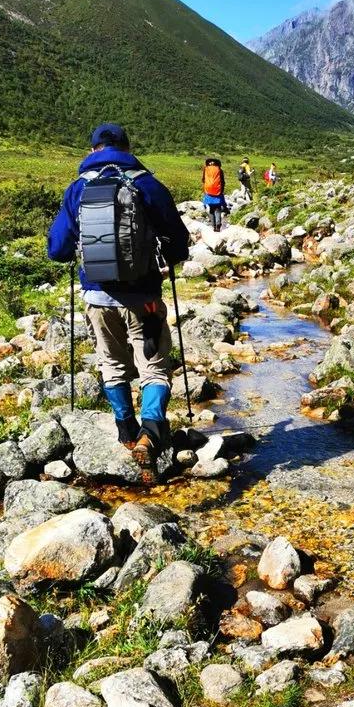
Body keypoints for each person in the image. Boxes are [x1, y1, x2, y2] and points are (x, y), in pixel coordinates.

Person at [47, 122, 189, 481]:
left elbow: (57, 248)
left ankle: (126, 430)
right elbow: (178, 240)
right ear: (127, 147)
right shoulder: (146, 184)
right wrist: (162, 257)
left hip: (97, 296)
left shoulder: (78, 188)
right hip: (144, 297)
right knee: (153, 366)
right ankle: (152, 432)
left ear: (93, 149)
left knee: (111, 363)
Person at [202, 157, 226, 230]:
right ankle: (218, 225)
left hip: (208, 191)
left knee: (211, 209)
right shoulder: (219, 170)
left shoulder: (206, 169)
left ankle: (213, 226)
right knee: (218, 209)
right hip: (218, 192)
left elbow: (203, 180)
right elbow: (222, 181)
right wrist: (221, 190)